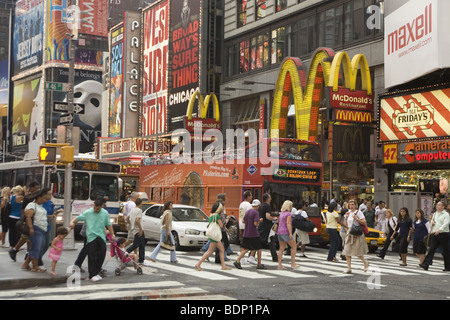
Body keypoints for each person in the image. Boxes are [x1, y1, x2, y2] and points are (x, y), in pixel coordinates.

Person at [70, 198, 116, 282]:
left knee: (101, 255)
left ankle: (96, 272)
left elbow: (109, 224)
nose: (96, 210)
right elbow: (77, 218)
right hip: (91, 237)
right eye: (95, 207)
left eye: (98, 208)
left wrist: (113, 235)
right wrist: (72, 222)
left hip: (101, 236)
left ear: (102, 206)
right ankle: (92, 274)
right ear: (93, 205)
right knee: (92, 256)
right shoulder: (88, 212)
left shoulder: (105, 213)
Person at [195, 201, 232, 271]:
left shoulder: (211, 215)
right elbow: (221, 225)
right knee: (210, 251)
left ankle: (223, 266)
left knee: (221, 249)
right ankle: (198, 264)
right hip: (215, 236)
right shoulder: (217, 216)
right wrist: (226, 220)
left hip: (213, 235)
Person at [233, 199, 266, 270]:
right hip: (253, 233)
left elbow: (243, 221)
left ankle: (237, 260)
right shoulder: (256, 212)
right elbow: (255, 223)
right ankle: (259, 264)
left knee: (246, 248)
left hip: (246, 232)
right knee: (259, 248)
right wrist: (259, 221)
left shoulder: (248, 212)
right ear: (257, 206)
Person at [22, 189, 48, 272]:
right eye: (43, 198)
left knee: (35, 248)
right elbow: (28, 217)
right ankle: (35, 267)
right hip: (36, 228)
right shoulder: (32, 205)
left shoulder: (40, 206)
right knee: (36, 248)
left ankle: (26, 264)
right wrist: (31, 228)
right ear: (38, 197)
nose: (44, 200)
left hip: (42, 229)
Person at [419, 201, 450, 272]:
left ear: (443, 207)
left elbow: (446, 223)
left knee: (446, 251)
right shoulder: (435, 214)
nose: (437, 206)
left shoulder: (446, 214)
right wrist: (431, 223)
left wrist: (440, 230)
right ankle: (425, 264)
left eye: (439, 205)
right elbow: (432, 222)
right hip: (434, 234)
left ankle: (448, 266)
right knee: (431, 249)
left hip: (443, 234)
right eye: (437, 205)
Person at [342, 199, 369, 274]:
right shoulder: (347, 213)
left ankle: (365, 262)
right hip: (350, 232)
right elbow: (345, 224)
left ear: (355, 205)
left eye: (353, 204)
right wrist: (346, 218)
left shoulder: (359, 212)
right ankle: (349, 268)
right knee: (347, 251)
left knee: (357, 252)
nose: (351, 206)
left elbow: (364, 222)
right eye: (350, 204)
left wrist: (356, 218)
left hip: (357, 233)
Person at [276, 200, 300, 270]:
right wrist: (290, 233)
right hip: (286, 232)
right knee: (294, 246)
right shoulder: (288, 214)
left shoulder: (281, 213)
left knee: (281, 249)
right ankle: (293, 263)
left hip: (280, 232)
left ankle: (279, 265)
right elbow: (288, 223)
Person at [258, 193, 278, 262]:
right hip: (267, 227)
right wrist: (274, 219)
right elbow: (267, 216)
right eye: (270, 197)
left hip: (261, 225)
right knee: (271, 241)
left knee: (258, 241)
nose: (271, 199)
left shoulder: (260, 206)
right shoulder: (267, 206)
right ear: (268, 199)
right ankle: (275, 257)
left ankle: (251, 256)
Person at [125, 198, 146, 264]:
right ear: (141, 203)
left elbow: (127, 218)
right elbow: (137, 220)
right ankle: (125, 252)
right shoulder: (139, 210)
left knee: (142, 244)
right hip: (138, 230)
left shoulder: (132, 210)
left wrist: (131, 224)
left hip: (133, 229)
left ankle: (141, 259)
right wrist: (140, 229)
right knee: (136, 244)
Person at [7, 186, 24, 256]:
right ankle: (17, 245)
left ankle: (11, 245)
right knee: (17, 232)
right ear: (19, 191)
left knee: (11, 231)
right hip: (17, 216)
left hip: (10, 215)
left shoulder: (11, 197)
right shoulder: (20, 197)